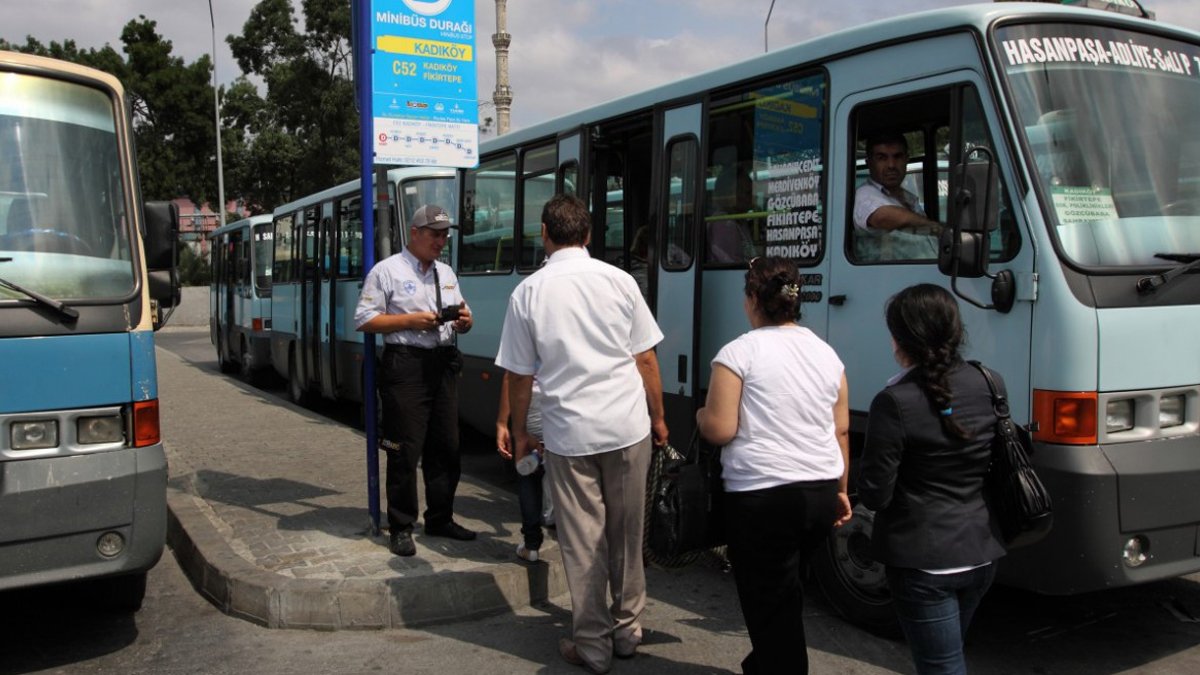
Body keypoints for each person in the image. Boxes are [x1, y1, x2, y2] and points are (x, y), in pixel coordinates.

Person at [496, 193, 668, 675]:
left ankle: (592, 645)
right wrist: (657, 417)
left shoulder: (528, 292)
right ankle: (628, 631)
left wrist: (519, 431)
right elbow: (646, 358)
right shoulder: (620, 281)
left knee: (583, 541)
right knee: (627, 534)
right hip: (627, 426)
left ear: (545, 235)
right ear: (589, 235)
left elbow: (520, 376)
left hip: (569, 434)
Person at [695, 256, 852, 675]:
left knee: (768, 602)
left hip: (762, 499)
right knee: (786, 591)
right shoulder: (827, 354)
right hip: (818, 493)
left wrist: (698, 417)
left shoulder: (737, 353)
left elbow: (720, 429)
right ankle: (764, 663)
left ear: (752, 299)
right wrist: (841, 489)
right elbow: (840, 431)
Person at [858, 283, 1007, 675]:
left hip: (923, 563)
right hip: (981, 550)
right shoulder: (989, 382)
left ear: (899, 338)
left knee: (941, 665)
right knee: (949, 655)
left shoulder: (893, 402)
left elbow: (874, 493)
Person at [354, 204, 476, 558]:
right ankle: (401, 525)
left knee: (447, 446)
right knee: (403, 448)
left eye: (445, 235)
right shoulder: (386, 271)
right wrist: (409, 321)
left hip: (442, 363)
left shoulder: (447, 272)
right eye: (435, 234)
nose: (441, 241)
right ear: (415, 232)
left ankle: (440, 518)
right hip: (405, 365)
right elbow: (364, 319)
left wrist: (465, 321)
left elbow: (460, 313)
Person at [853, 133, 943, 260]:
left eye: (898, 157)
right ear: (869, 163)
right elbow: (883, 217)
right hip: (889, 278)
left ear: (906, 159)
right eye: (882, 158)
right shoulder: (864, 194)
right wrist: (939, 230)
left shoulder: (908, 197)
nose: (891, 165)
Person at [495, 371, 553, 563]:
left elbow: (511, 376)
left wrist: (502, 422)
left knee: (529, 474)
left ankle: (531, 545)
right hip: (565, 401)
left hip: (532, 400)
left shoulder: (526, 338)